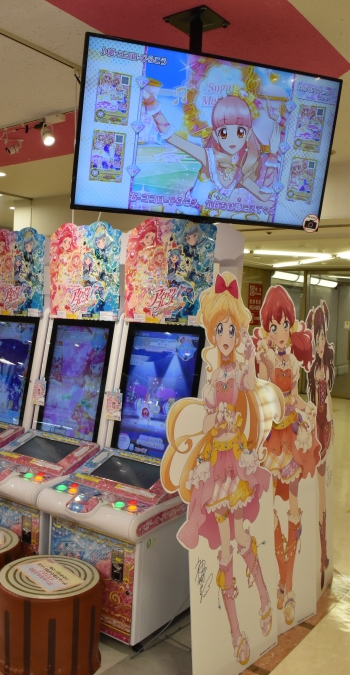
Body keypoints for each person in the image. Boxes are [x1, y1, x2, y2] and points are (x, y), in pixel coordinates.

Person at [161, 273, 284, 666]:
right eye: (220, 329)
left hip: (237, 465)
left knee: (242, 539)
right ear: (213, 333)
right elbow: (208, 413)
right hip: (217, 465)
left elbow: (249, 386)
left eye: (231, 328)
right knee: (226, 550)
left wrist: (250, 356)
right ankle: (235, 633)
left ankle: (263, 597)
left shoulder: (238, 369)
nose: (226, 335)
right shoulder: (213, 377)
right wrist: (213, 420)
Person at [254, 285, 320, 625]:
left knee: (293, 511)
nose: (280, 331)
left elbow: (293, 397)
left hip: (291, 438)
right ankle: (279, 583)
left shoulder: (292, 360)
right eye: (274, 325)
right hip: (272, 440)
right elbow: (264, 398)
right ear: (267, 328)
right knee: (273, 515)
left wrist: (306, 409)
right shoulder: (265, 360)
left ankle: (289, 586)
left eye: (283, 324)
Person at [143, 91, 280, 206]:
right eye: (224, 132)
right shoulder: (209, 157)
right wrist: (150, 102)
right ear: (216, 135)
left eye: (240, 132)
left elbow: (264, 196)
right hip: (188, 217)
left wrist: (273, 154)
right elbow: (172, 138)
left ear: (248, 134)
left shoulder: (239, 171)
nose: (232, 140)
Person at [306, 301, 335, 589]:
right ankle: (319, 550)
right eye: (317, 338)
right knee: (316, 491)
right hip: (315, 425)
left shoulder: (326, 367)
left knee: (322, 493)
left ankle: (323, 551)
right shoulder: (313, 368)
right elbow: (312, 399)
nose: (320, 342)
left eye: (322, 337)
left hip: (324, 427)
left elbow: (326, 402)